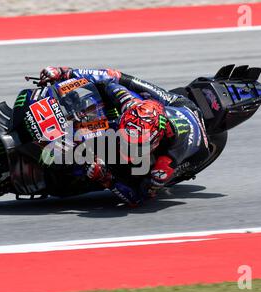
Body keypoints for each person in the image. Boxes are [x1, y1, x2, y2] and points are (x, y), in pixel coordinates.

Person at [39, 66, 210, 206]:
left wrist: (106, 178)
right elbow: (107, 78)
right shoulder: (129, 103)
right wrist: (64, 73)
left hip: (194, 142)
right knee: (121, 80)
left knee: (141, 175)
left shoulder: (167, 160)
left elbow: (139, 197)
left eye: (134, 146)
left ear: (154, 141)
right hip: (169, 109)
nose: (126, 148)